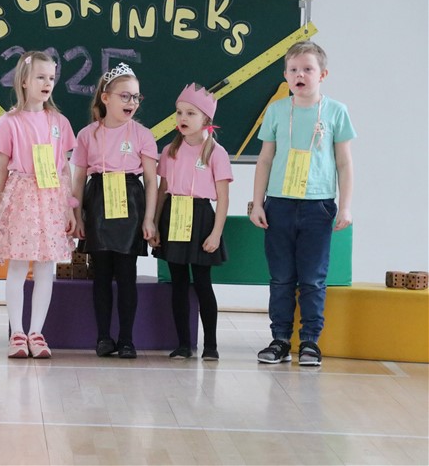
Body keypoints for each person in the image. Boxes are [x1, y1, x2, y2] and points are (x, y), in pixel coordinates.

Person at [250, 41, 355, 367]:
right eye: (293, 69)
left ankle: (310, 341)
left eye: (308, 69)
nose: (300, 75)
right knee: (281, 277)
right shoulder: (277, 111)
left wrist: (345, 206)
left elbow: (344, 163)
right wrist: (258, 203)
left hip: (318, 206)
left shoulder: (336, 111)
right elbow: (265, 160)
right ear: (285, 75)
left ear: (322, 74)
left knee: (312, 278)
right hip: (279, 204)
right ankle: (280, 339)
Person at [0, 50, 77, 359]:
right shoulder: (9, 121)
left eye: (51, 77)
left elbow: (64, 168)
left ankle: (37, 332)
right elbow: (1, 169)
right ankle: (17, 332)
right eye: (40, 77)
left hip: (51, 198)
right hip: (21, 196)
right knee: (19, 264)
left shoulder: (59, 122)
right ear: (24, 81)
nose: (47, 83)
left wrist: (69, 207)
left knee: (46, 266)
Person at [71, 63, 158, 359]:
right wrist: (77, 215)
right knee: (101, 274)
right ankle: (103, 337)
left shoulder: (143, 134)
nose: (131, 102)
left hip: (130, 203)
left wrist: (149, 219)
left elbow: (151, 181)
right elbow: (78, 179)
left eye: (136, 97)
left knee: (126, 274)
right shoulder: (87, 135)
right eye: (125, 96)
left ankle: (127, 339)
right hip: (98, 201)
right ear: (105, 97)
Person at [150, 83, 232, 361]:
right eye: (179, 112)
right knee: (179, 283)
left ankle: (211, 345)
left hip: (201, 218)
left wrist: (216, 233)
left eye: (190, 113)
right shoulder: (170, 150)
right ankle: (183, 344)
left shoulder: (216, 153)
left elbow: (223, 198)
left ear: (206, 119)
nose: (182, 118)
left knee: (203, 284)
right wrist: (155, 223)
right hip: (174, 216)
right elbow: (162, 191)